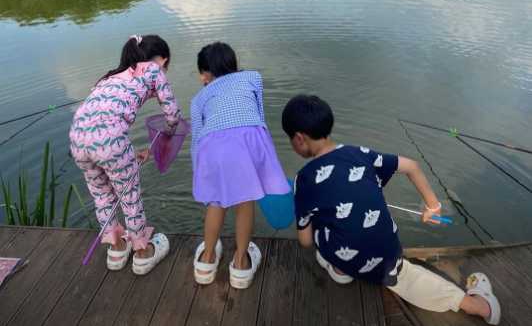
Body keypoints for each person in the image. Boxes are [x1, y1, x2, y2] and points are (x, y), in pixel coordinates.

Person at [281, 95, 501, 325]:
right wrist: (433, 206)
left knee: (317, 227)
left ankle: (340, 268)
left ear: (299, 139)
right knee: (408, 278)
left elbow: (305, 241)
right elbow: (412, 166)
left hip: (346, 257)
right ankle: (481, 307)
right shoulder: (361, 154)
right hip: (386, 258)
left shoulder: (303, 179)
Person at [70, 35, 181, 275]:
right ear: (162, 60)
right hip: (110, 144)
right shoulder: (154, 69)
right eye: (167, 64)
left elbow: (105, 120)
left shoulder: (109, 77)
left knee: (101, 195)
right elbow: (172, 113)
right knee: (129, 197)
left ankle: (117, 250)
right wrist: (170, 133)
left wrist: (130, 154)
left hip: (78, 140)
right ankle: (142, 254)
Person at [191, 42, 290, 289]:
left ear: (204, 74)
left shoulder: (198, 98)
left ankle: (207, 260)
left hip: (212, 147)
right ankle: (241, 263)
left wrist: (201, 174)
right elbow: (259, 114)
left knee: (216, 202)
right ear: (234, 64)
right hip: (249, 142)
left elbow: (196, 139)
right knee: (245, 203)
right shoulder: (253, 78)